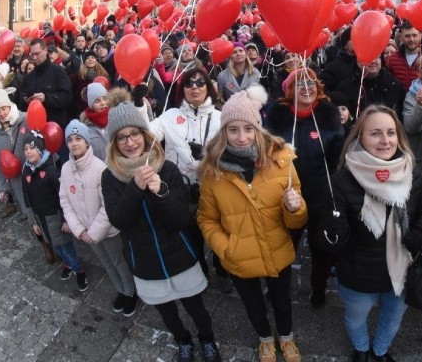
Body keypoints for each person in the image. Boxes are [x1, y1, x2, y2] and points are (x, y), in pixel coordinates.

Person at [101, 91, 221, 362]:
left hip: (179, 256)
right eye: (122, 137)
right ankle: (183, 342)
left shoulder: (165, 168)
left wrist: (162, 192)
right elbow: (118, 220)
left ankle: (208, 339)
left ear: (145, 135)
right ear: (114, 142)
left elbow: (180, 219)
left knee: (196, 307)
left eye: (134, 134)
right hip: (144, 261)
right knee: (167, 312)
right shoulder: (109, 177)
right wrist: (135, 188)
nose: (130, 142)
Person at [198, 85, 306, 362]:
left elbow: (297, 218)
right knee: (253, 304)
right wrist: (226, 247)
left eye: (248, 129)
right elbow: (206, 218)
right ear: (224, 132)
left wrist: (295, 209)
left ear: (258, 128)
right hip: (239, 255)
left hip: (276, 248)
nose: (242, 137)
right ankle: (265, 339)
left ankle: (287, 338)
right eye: (233, 130)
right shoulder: (212, 172)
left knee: (282, 301)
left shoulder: (282, 162)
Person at [319, 105, 422, 362]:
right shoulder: (342, 180)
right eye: (376, 133)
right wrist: (334, 229)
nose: (385, 141)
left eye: (391, 133)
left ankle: (380, 350)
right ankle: (361, 348)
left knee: (392, 320)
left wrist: (419, 231)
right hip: (359, 276)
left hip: (402, 272)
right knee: (356, 318)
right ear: (360, 137)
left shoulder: (412, 172)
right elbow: (331, 242)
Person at [143, 67, 230, 291]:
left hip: (212, 190)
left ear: (208, 87)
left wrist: (207, 156)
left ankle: (221, 271)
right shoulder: (171, 116)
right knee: (192, 237)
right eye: (189, 83)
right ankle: (200, 270)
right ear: (182, 89)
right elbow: (147, 134)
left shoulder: (221, 118)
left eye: (200, 83)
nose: (194, 87)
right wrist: (138, 106)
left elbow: (231, 155)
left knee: (219, 233)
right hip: (181, 191)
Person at [263, 68, 344, 308]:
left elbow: (338, 159)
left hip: (321, 195)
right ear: (289, 90)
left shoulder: (329, 117)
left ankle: (318, 288)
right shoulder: (275, 118)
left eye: (311, 83)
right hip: (286, 195)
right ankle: (277, 287)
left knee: (322, 249)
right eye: (300, 83)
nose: (307, 87)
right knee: (285, 245)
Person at [59, 119, 138, 316]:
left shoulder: (100, 168)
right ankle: (121, 290)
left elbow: (107, 206)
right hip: (86, 232)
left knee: (118, 261)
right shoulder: (65, 169)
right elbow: (65, 201)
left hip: (106, 231)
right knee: (106, 262)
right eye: (70, 139)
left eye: (78, 138)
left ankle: (130, 293)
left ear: (87, 141)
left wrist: (93, 231)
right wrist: (80, 230)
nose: (74, 143)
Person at [21, 130, 88, 291]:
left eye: (31, 147)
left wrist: (66, 220)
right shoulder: (26, 171)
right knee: (54, 245)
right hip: (40, 218)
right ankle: (67, 264)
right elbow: (27, 198)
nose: (28, 152)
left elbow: (63, 197)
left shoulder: (51, 171)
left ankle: (79, 270)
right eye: (25, 149)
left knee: (65, 245)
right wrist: (33, 221)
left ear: (39, 149)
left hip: (55, 217)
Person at [22, 39, 73, 159]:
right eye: (32, 54)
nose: (34, 57)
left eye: (37, 54)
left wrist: (47, 98)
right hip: (37, 133)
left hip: (57, 130)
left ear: (45, 51)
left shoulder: (58, 71)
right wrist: (26, 101)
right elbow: (22, 103)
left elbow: (68, 97)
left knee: (63, 165)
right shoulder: (29, 77)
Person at [0, 86, 31, 223]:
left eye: (3, 109)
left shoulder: (24, 118)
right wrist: (2, 186)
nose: (1, 114)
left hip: (30, 169)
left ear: (9, 106)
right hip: (15, 177)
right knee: (26, 207)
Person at [335, 56, 405, 117]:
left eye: (376, 57)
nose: (373, 61)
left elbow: (400, 117)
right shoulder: (345, 88)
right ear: (358, 61)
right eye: (369, 58)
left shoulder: (394, 85)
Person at [79, 82, 110, 161]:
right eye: (97, 101)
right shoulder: (85, 127)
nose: (102, 103)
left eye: (104, 99)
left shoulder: (115, 119)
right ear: (91, 105)